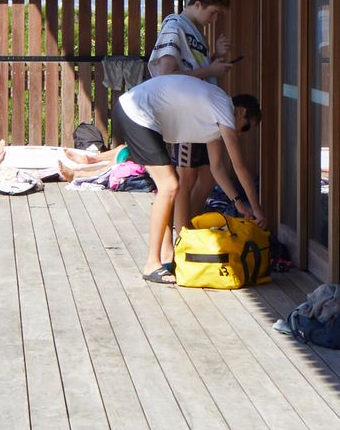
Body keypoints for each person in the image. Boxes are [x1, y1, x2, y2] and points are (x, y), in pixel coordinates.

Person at [113, 68, 264, 282]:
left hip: (140, 112)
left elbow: (217, 168)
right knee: (170, 186)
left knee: (169, 188)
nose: (240, 133)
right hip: (137, 111)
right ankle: (151, 264)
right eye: (246, 127)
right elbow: (239, 166)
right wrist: (257, 210)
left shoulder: (215, 116)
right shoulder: (223, 107)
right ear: (240, 112)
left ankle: (166, 257)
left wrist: (239, 204)